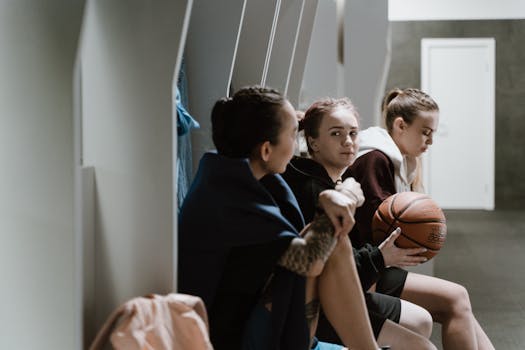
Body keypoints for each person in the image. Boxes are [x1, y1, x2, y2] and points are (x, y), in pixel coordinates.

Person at [178, 86, 382, 350]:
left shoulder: (227, 173)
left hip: (248, 319)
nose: (298, 144)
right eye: (292, 134)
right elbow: (307, 261)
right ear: (266, 150)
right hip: (231, 341)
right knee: (333, 239)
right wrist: (345, 196)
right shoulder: (230, 195)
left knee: (329, 235)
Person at [283, 97, 437, 350]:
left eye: (353, 133)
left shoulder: (338, 183)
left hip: (343, 285)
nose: (348, 141)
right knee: (423, 342)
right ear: (313, 142)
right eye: (336, 133)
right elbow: (330, 267)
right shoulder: (316, 192)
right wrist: (379, 257)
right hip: (316, 305)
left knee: (421, 321)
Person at [349, 88, 495, 349]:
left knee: (458, 300)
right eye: (426, 132)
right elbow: (381, 229)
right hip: (362, 272)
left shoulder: (398, 160)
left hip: (374, 266)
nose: (430, 141)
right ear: (401, 125)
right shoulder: (375, 159)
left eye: (433, 134)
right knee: (456, 298)